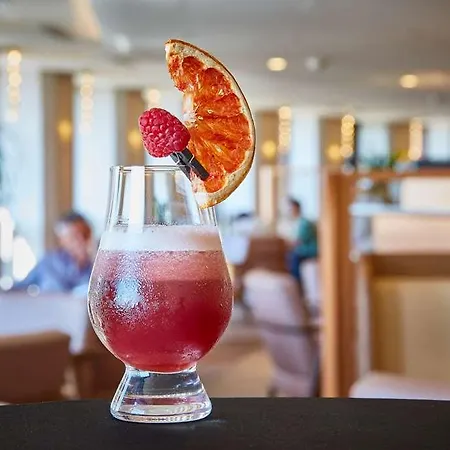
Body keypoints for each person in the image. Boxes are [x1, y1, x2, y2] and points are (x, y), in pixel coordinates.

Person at [11, 211, 94, 293]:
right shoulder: (47, 263)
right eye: (74, 236)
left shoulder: (95, 266)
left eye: (84, 234)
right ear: (61, 240)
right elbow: (19, 287)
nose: (80, 239)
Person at [286, 199, 318, 282]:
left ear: (296, 208)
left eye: (291, 209)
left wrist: (289, 244)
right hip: (301, 249)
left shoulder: (304, 223)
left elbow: (299, 240)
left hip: (309, 251)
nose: (289, 211)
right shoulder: (296, 223)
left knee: (294, 256)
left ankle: (297, 280)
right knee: (291, 255)